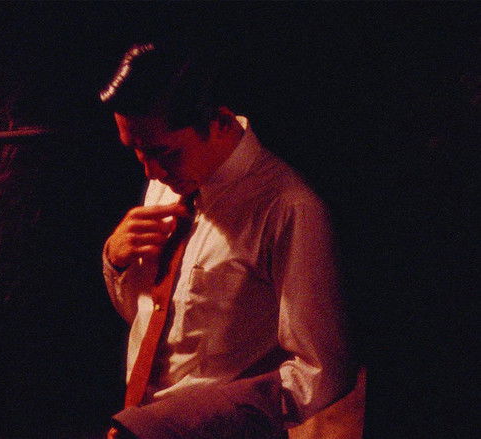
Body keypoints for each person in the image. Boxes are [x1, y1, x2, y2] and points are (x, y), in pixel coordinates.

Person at [100, 43, 356, 438]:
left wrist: (187, 424)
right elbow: (146, 318)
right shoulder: (168, 183)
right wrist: (117, 262)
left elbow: (319, 375)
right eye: (136, 151)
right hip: (135, 423)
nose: (150, 171)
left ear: (220, 122)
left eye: (163, 153)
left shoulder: (288, 209)